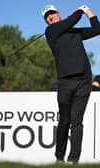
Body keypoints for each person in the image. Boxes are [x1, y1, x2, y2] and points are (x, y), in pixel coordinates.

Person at [42, 5, 100, 163]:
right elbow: (72, 20)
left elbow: (97, 29)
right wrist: (79, 10)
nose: (51, 17)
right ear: (47, 21)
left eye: (52, 13)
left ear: (58, 14)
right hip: (65, 82)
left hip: (83, 81)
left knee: (77, 122)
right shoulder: (51, 32)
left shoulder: (74, 32)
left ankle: (74, 160)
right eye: (47, 16)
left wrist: (88, 12)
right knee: (64, 121)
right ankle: (59, 158)